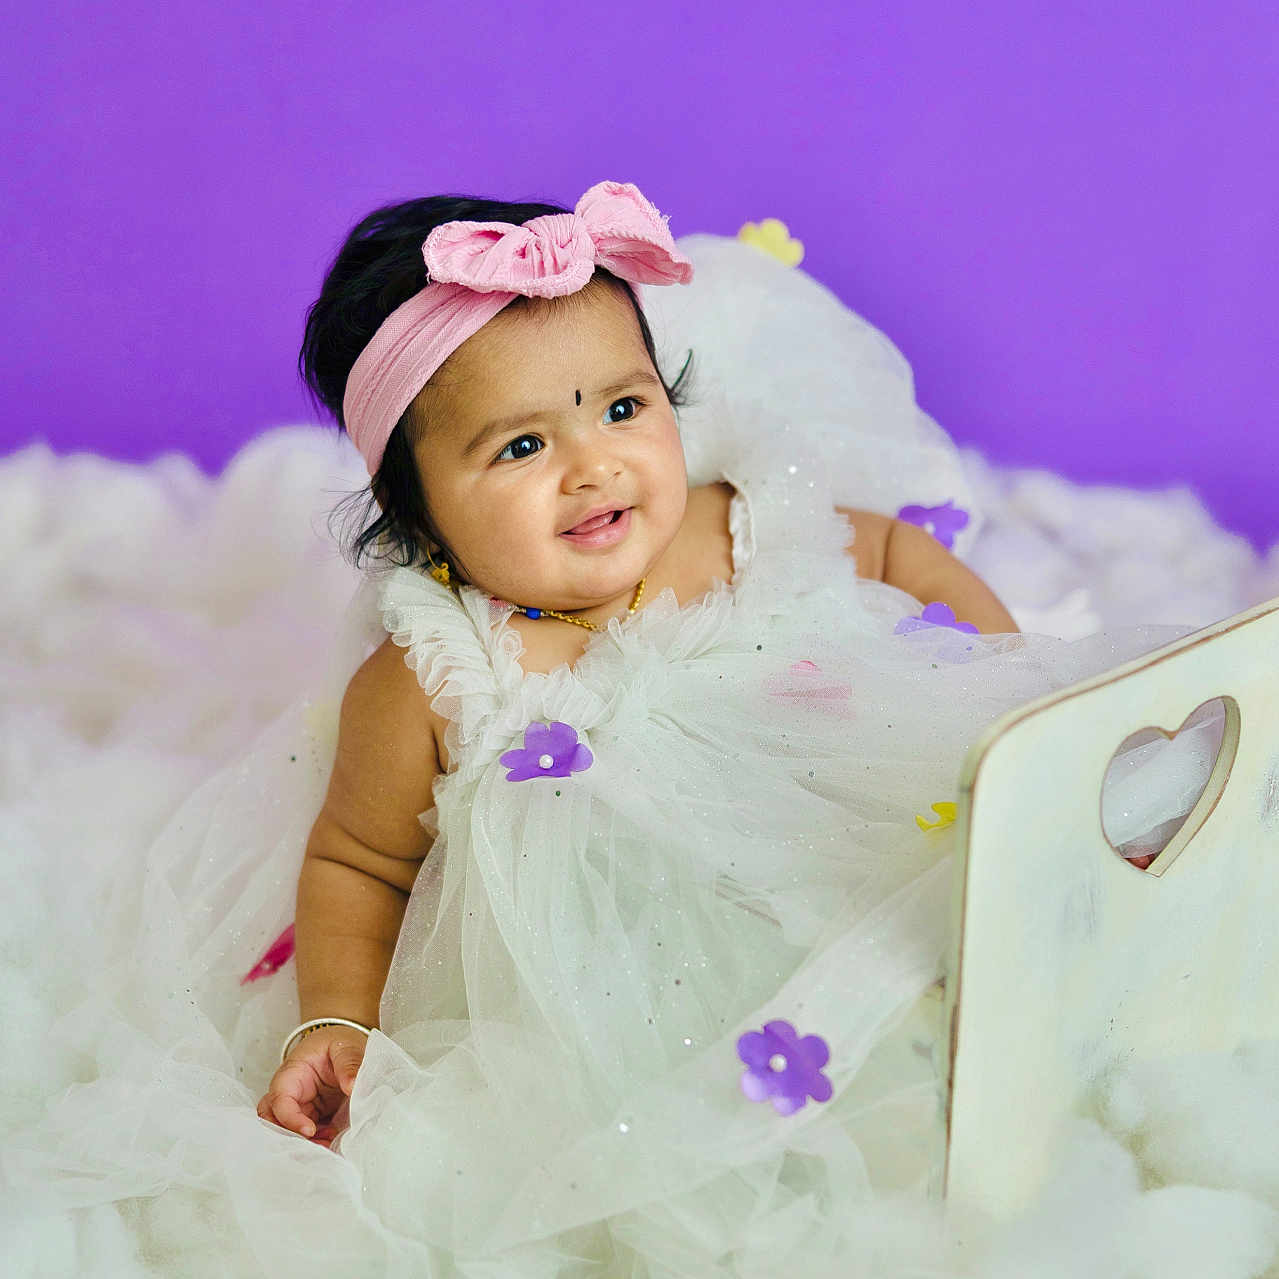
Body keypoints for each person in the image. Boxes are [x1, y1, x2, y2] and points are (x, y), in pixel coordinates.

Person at [8, 180, 1210, 1276]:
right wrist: (336, 1017)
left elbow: (900, 551)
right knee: (833, 1093)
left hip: (854, 817)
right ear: (417, 512)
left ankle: (1076, 879)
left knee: (1006, 883)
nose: (594, 465)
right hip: (645, 976)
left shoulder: (736, 526)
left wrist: (1013, 687)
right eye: (522, 445)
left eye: (622, 406)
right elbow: (359, 860)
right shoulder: (434, 672)